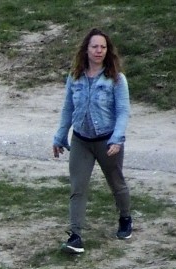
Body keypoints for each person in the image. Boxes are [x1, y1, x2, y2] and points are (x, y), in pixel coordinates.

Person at [52, 28, 132, 254]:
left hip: (107, 141)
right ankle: (75, 236)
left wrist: (117, 139)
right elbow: (68, 108)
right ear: (86, 49)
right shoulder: (75, 76)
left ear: (108, 51)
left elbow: (123, 112)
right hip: (81, 140)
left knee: (116, 183)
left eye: (103, 47)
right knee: (78, 188)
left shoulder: (116, 78)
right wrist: (60, 136)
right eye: (95, 46)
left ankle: (125, 218)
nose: (99, 50)